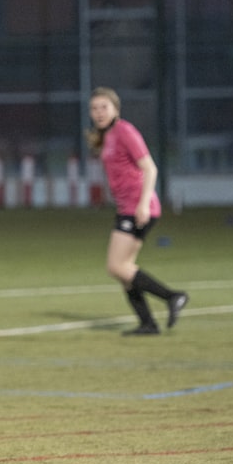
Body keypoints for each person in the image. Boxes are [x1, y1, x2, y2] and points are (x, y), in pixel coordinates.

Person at [87, 87, 188, 335]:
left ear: (115, 109)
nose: (99, 112)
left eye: (104, 107)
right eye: (95, 108)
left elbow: (150, 168)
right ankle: (148, 323)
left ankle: (172, 296)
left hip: (138, 207)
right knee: (125, 269)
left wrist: (143, 204)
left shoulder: (125, 131)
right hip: (127, 206)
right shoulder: (106, 136)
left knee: (116, 266)